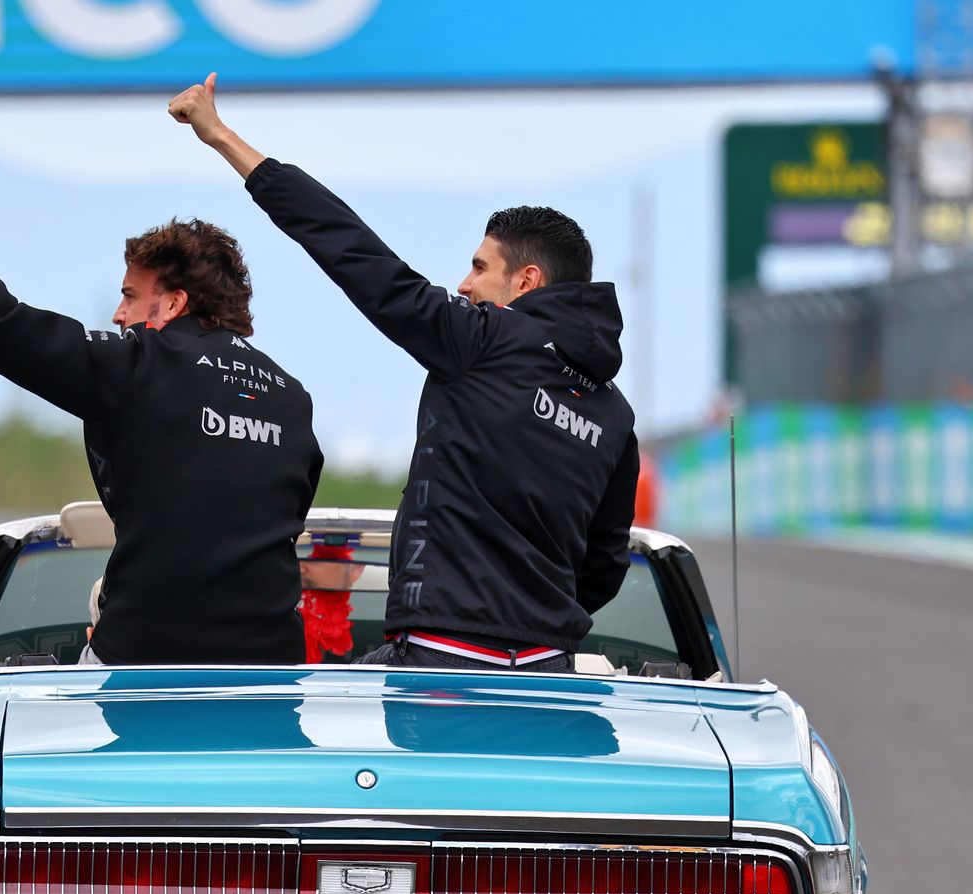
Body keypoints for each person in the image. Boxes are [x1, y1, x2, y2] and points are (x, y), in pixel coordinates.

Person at [169, 75, 640, 674]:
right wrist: (533, 620)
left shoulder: (483, 339)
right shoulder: (614, 413)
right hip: (549, 668)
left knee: (318, 702)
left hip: (444, 660)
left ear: (526, 281)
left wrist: (222, 137)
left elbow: (357, 254)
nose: (463, 285)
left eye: (479, 268)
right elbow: (605, 562)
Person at [0, 126, 323, 666]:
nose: (119, 315)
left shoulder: (142, 364)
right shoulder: (292, 397)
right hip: (271, 672)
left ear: (172, 304)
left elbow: (2, 329)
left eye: (129, 296)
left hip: (145, 663)